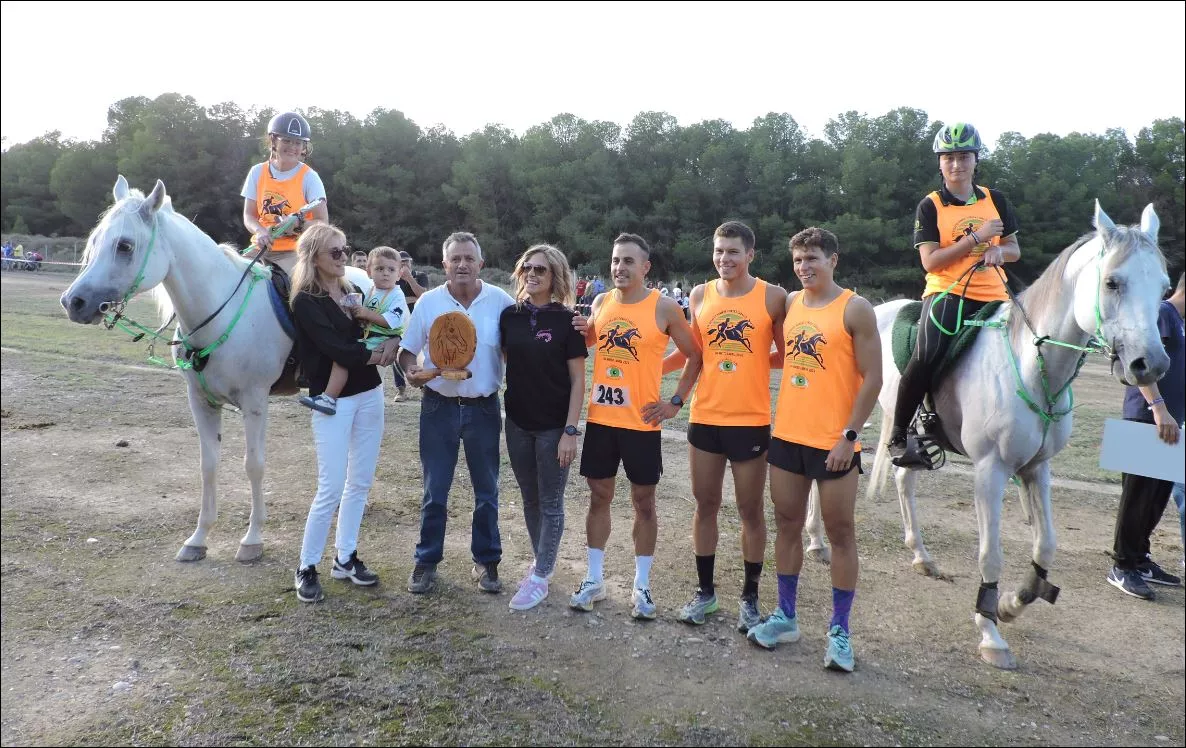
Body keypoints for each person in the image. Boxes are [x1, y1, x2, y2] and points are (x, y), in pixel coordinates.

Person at [746, 227, 882, 674]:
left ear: (833, 260)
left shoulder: (855, 309)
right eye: (799, 260)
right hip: (787, 436)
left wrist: (848, 436)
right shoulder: (790, 303)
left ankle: (840, 631)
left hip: (833, 442)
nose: (805, 267)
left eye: (814, 259)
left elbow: (873, 379)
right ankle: (786, 617)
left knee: (840, 534)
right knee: (787, 525)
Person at [570, 233, 702, 619]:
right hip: (601, 420)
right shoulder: (601, 301)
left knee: (644, 503)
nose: (619, 268)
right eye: (615, 260)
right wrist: (582, 326)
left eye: (628, 261)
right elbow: (591, 340)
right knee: (599, 497)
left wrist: (675, 402)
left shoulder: (663, 307)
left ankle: (641, 586)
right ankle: (594, 580)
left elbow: (695, 356)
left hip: (642, 423)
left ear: (645, 268)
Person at [663, 221, 787, 631]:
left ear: (751, 254)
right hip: (705, 418)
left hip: (750, 421)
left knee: (751, 511)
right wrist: (657, 372)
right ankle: (706, 593)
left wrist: (752, 362)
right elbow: (694, 355)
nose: (724, 259)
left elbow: (787, 355)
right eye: (718, 251)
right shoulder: (699, 295)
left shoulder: (773, 297)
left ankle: (750, 599)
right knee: (705, 506)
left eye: (733, 252)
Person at [888, 122, 1021, 468]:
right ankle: (901, 435)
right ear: (940, 163)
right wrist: (976, 239)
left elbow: (1014, 249)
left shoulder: (997, 200)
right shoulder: (930, 206)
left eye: (964, 157)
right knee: (927, 354)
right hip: (948, 292)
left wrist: (999, 252)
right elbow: (930, 262)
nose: (957, 164)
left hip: (995, 293)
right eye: (949, 157)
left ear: (976, 160)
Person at [289, 224, 401, 603]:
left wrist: (394, 340)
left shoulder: (352, 292)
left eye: (344, 249)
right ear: (314, 257)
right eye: (334, 252)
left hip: (370, 392)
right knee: (331, 487)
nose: (343, 257)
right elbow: (338, 348)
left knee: (360, 483)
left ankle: (345, 557)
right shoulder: (306, 301)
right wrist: (378, 355)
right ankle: (306, 565)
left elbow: (376, 327)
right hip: (333, 400)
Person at [399, 232, 515, 594]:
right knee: (435, 489)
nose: (462, 264)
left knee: (487, 490)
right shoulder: (429, 303)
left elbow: (520, 353)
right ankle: (427, 559)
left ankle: (487, 561)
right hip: (438, 406)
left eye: (469, 258)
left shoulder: (502, 302)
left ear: (481, 264)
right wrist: (410, 372)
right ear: (444, 264)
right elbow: (406, 351)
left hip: (483, 407)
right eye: (455, 259)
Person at [501, 245, 588, 610]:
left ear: (555, 276)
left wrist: (571, 430)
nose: (532, 274)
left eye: (540, 269)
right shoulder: (509, 316)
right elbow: (510, 363)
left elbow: (578, 380)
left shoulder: (568, 321)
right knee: (530, 497)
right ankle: (542, 561)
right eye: (526, 268)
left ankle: (540, 576)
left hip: (554, 427)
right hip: (517, 422)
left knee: (550, 501)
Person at [1107, 272, 1184, 599]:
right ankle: (1122, 566)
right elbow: (1138, 360)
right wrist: (1158, 407)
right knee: (1138, 497)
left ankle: (1139, 559)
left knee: (1155, 498)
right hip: (1146, 415)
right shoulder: (1162, 312)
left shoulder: (1178, 320)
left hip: (1170, 422)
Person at [300, 246, 409, 415]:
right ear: (369, 272)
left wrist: (365, 313)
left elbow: (391, 321)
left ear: (399, 274)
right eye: (380, 269)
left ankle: (329, 398)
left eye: (391, 269)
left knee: (343, 359)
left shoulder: (397, 295)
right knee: (344, 359)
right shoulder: (371, 290)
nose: (386, 273)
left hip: (379, 339)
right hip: (370, 337)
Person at [241, 111, 330, 275]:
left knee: (296, 294)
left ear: (304, 147)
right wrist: (260, 231)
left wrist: (298, 224)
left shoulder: (310, 177)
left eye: (298, 143)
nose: (292, 147)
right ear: (273, 140)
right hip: (261, 246)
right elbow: (249, 215)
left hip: (295, 251)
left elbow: (323, 223)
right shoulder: (256, 172)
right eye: (286, 141)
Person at [392, 250, 430, 401]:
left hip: (418, 321)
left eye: (406, 261)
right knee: (397, 354)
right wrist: (411, 298)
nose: (404, 265)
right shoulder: (393, 278)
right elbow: (393, 300)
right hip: (399, 322)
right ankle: (400, 389)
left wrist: (409, 278)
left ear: (411, 262)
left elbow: (422, 295)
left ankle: (423, 386)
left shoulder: (420, 275)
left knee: (420, 354)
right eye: (401, 262)